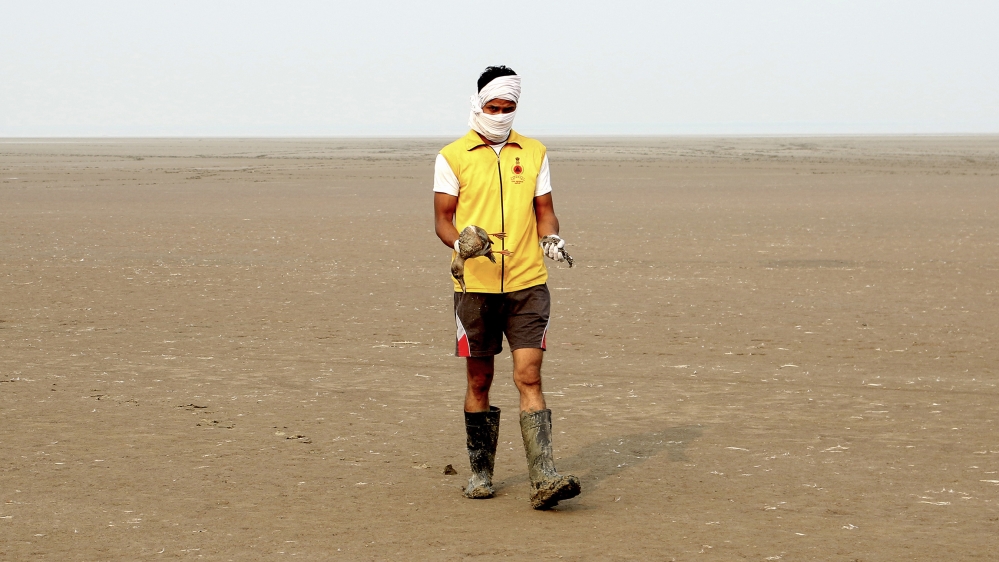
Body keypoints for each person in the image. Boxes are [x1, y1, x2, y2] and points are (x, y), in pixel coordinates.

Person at [432, 65, 580, 510]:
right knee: (480, 379)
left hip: (527, 284)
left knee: (529, 375)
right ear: (478, 104)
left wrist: (550, 237)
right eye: (493, 107)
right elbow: (442, 219)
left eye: (508, 107)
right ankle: (480, 473)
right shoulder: (452, 156)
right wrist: (461, 242)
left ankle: (544, 479)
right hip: (473, 288)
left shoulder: (533, 152)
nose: (500, 114)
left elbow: (545, 209)